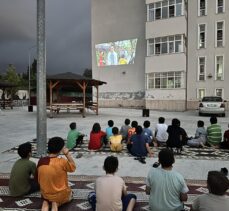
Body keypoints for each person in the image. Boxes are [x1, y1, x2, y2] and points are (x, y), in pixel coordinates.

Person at [37, 137, 76, 211]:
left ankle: (48, 202)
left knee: (47, 198)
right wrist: (67, 154)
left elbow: (38, 179)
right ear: (61, 149)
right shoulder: (62, 162)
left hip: (46, 194)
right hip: (60, 194)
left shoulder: (41, 161)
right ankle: (56, 203)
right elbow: (73, 168)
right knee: (70, 194)